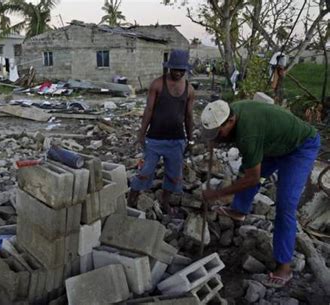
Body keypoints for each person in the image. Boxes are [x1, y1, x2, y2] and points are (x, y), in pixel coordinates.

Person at [200, 99, 320, 288]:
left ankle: (285, 266)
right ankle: (239, 211)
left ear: (230, 121)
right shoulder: (231, 110)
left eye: (219, 132)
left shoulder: (248, 134)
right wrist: (214, 137)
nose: (217, 137)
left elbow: (253, 179)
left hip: (300, 147)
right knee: (245, 169)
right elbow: (247, 167)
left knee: (285, 206)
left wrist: (217, 193)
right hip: (275, 143)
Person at [127, 49, 195, 215]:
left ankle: (165, 202)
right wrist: (141, 134)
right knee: (146, 171)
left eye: (181, 70)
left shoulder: (189, 90)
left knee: (173, 174)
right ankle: (132, 199)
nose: (178, 73)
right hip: (155, 138)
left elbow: (189, 116)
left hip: (176, 139)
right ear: (169, 68)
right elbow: (149, 110)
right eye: (175, 69)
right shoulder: (157, 84)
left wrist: (190, 140)